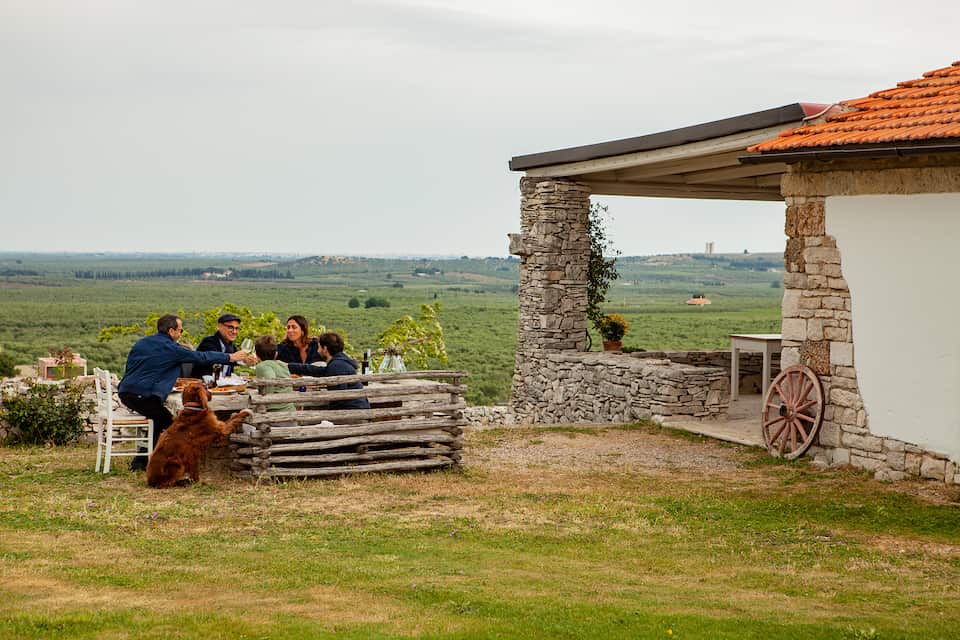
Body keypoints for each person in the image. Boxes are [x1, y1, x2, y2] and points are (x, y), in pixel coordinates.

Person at [118, 314, 249, 470]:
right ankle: (149, 462)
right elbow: (200, 356)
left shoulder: (143, 342)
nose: (181, 334)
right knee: (171, 425)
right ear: (172, 331)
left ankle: (144, 459)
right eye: (180, 330)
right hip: (140, 395)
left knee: (160, 420)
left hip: (126, 391)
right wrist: (230, 357)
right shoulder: (171, 348)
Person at [287, 332, 370, 410]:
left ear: (325, 349)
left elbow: (337, 399)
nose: (317, 351)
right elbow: (316, 370)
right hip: (357, 410)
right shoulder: (340, 362)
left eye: (319, 347)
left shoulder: (336, 366)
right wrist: (288, 366)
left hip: (352, 414)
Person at [193, 313, 243, 380]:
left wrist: (244, 360)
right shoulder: (208, 342)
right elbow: (214, 359)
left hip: (223, 386)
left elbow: (235, 362)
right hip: (202, 385)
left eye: (237, 328)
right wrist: (233, 357)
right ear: (220, 326)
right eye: (230, 327)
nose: (234, 331)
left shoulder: (232, 346)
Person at [253, 335, 295, 413]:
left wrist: (268, 396)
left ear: (257, 355)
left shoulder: (262, 365)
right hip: (290, 412)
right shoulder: (282, 365)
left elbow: (270, 378)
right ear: (276, 354)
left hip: (274, 415)